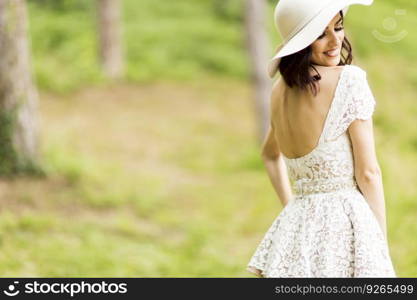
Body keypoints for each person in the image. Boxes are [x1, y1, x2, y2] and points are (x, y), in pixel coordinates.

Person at [246, 0, 396, 277]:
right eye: (319, 34)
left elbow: (269, 155)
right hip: (346, 224)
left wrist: (292, 204)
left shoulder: (279, 91)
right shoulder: (349, 80)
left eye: (337, 27)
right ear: (301, 43)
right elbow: (369, 173)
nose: (334, 40)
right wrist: (378, 243)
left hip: (296, 227)